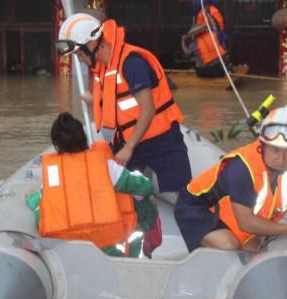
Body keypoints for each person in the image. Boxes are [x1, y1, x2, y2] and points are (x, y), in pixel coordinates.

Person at [56, 13, 192, 194]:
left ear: (92, 44)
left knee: (187, 197)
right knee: (109, 190)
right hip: (128, 140)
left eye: (79, 53)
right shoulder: (105, 67)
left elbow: (148, 109)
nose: (79, 58)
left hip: (161, 141)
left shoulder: (132, 64)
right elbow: (119, 100)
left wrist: (129, 148)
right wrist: (95, 100)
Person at [174, 105, 287, 252]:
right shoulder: (241, 168)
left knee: (256, 252)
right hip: (196, 208)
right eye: (275, 150)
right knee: (229, 245)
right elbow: (246, 222)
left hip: (232, 214)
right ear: (262, 145)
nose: (281, 159)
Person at [26, 112, 162, 258]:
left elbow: (42, 203)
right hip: (110, 246)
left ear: (57, 145)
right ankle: (150, 236)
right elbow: (146, 187)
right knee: (139, 196)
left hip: (68, 249)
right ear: (84, 139)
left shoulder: (53, 173)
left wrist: (30, 198)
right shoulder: (105, 166)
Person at [181, 0, 231, 78]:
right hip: (220, 68)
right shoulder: (215, 34)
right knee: (224, 55)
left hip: (204, 72)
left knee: (195, 61)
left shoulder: (194, 43)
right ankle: (227, 70)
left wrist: (183, 40)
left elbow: (187, 53)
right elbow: (212, 24)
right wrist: (206, 11)